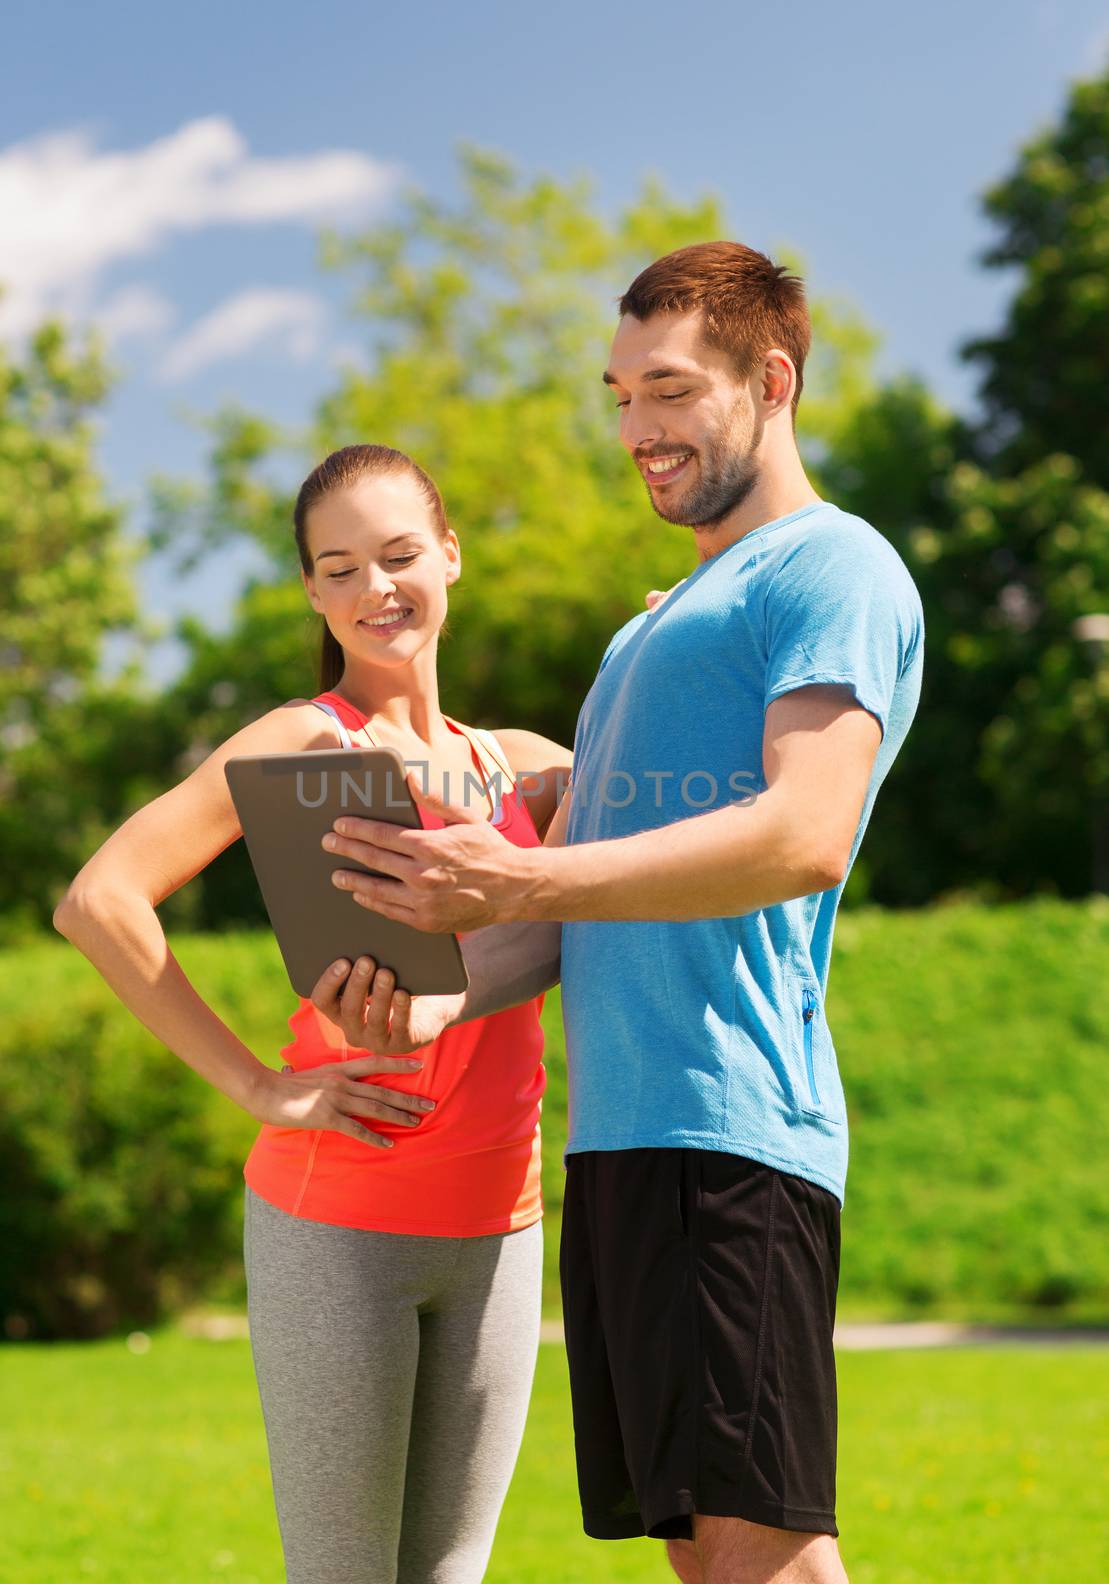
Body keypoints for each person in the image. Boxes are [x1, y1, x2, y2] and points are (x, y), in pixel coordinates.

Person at [310, 242, 925, 1584]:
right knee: (711, 1560)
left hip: (729, 1126)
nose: (637, 431)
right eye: (619, 395)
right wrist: (427, 988)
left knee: (767, 1557)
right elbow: (581, 907)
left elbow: (804, 833)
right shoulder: (645, 633)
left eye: (668, 390)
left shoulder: (833, 569)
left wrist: (519, 873)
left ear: (771, 381)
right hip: (627, 1144)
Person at [52, 441, 575, 1584]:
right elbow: (100, 899)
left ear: (450, 553)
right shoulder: (308, 743)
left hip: (503, 1219)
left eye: (397, 556)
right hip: (339, 1213)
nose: (373, 589)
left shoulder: (531, 768)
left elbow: (662, 867)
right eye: (338, 569)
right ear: (311, 593)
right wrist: (257, 1083)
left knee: (450, 1576)